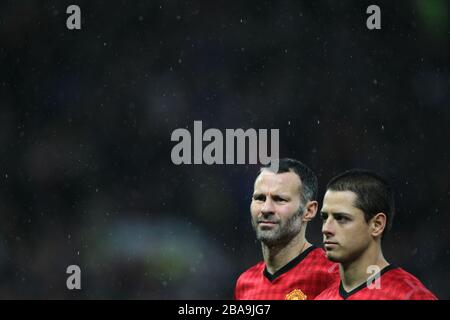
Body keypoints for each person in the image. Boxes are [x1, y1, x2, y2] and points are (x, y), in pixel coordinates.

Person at [316, 169, 437, 300]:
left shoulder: (409, 295)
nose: (326, 228)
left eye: (341, 218)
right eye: (324, 217)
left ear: (377, 225)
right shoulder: (322, 297)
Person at [234, 158, 339, 300]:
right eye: (260, 198)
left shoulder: (333, 275)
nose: (266, 209)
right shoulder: (245, 283)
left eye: (279, 199)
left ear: (308, 211)